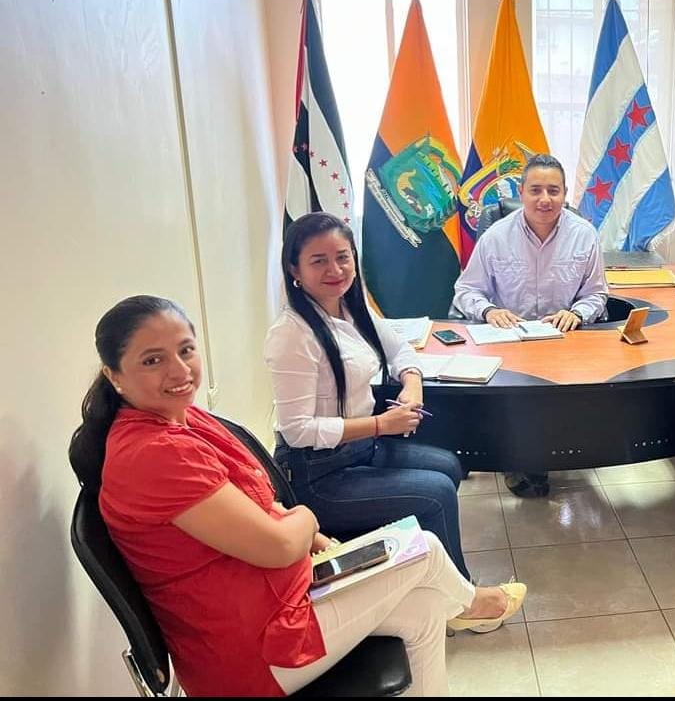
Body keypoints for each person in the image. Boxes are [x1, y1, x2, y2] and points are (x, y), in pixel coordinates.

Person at [69, 295, 525, 697]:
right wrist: (306, 518)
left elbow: (257, 504)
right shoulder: (154, 455)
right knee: (423, 549)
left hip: (275, 601)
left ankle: (464, 605)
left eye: (186, 350)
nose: (179, 370)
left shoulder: (181, 418)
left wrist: (310, 536)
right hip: (250, 652)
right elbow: (280, 546)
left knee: (424, 608)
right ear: (115, 376)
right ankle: (473, 604)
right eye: (152, 360)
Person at [265, 212, 470, 578]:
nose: (335, 269)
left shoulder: (350, 307)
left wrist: (412, 384)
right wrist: (380, 425)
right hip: (316, 473)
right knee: (436, 491)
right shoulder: (292, 334)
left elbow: (400, 349)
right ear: (295, 270)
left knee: (449, 465)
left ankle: (419, 570)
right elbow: (296, 430)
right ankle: (462, 596)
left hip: (359, 449)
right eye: (319, 261)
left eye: (343, 257)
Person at [453, 153, 608, 498]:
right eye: (535, 190)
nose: (544, 199)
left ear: (565, 194)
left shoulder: (584, 235)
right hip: (508, 341)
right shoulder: (496, 236)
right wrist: (489, 310)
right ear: (521, 191)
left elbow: (597, 293)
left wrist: (578, 313)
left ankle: (541, 455)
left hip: (562, 341)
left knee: (557, 402)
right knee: (518, 401)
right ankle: (520, 459)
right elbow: (465, 290)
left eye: (554, 190)